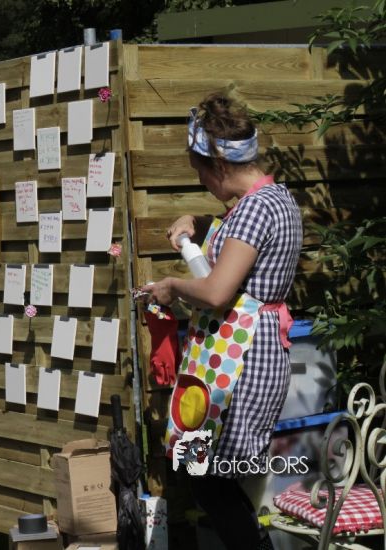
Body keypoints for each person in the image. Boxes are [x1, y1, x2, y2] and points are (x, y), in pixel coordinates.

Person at [144, 93, 302, 550]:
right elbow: (239, 248)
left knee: (210, 478)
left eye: (200, 171)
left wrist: (172, 286)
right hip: (244, 356)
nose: (200, 181)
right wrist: (198, 221)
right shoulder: (274, 199)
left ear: (218, 164)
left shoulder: (254, 210)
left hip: (241, 363)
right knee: (210, 475)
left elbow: (216, 290)